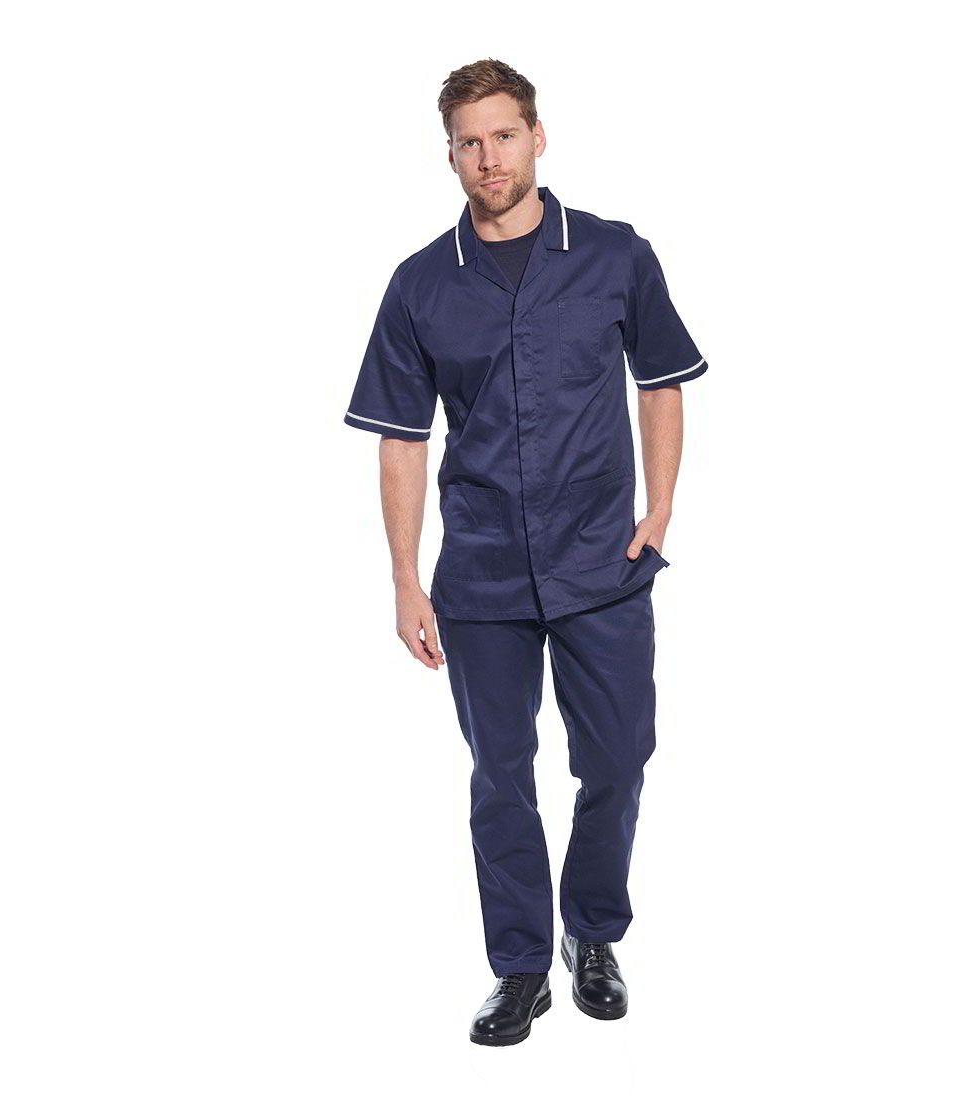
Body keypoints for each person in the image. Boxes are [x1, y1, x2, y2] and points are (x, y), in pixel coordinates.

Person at [344, 58, 708, 1046]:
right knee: (499, 775)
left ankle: (593, 934)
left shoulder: (614, 255)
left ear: (537, 137)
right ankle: (517, 967)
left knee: (618, 757)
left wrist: (662, 506)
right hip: (483, 574)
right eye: (468, 142)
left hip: (602, 560)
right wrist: (404, 578)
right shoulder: (420, 284)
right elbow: (401, 438)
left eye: (503, 135)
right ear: (450, 155)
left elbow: (661, 379)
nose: (488, 157)